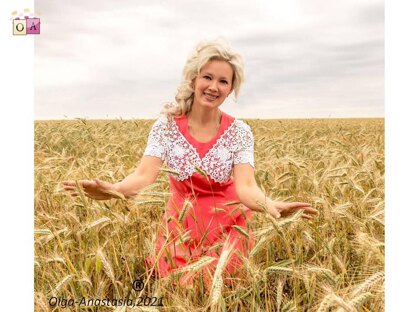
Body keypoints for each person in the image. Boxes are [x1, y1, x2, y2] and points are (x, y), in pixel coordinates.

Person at [63, 38, 317, 288]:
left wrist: (269, 205)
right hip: (179, 229)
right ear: (193, 79)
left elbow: (246, 188)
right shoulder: (166, 126)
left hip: (228, 230)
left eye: (223, 81)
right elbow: (143, 176)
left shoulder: (240, 132)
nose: (213, 86)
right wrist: (114, 190)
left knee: (215, 290)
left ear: (231, 89)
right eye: (207, 77)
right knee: (176, 291)